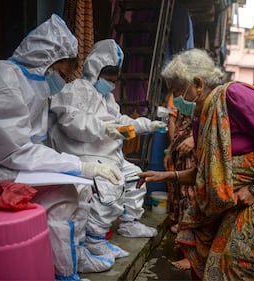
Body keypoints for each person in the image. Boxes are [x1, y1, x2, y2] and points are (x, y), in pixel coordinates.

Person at [137, 48, 254, 280]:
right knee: (214, 258)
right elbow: (207, 173)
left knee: (235, 261)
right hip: (236, 194)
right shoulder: (202, 120)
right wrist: (165, 176)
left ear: (198, 84)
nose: (175, 100)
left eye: (178, 91)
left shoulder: (234, 95)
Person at [0, 14, 123, 280]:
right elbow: (16, 151)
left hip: (10, 160)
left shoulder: (32, 81)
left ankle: (75, 257)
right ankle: (63, 271)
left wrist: (78, 167)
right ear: (49, 61)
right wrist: (80, 165)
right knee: (64, 196)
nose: (64, 77)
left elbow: (29, 144)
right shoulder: (0, 79)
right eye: (63, 69)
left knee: (81, 188)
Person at [48, 39, 166, 262]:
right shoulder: (75, 90)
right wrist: (105, 129)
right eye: (107, 77)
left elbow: (120, 122)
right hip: (86, 153)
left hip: (109, 153)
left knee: (137, 176)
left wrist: (146, 125)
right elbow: (72, 123)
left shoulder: (107, 97)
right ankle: (95, 239)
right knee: (111, 186)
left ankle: (130, 223)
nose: (111, 83)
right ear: (95, 69)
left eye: (114, 79)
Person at [163, 93, 197, 270]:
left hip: (196, 152)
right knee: (179, 191)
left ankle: (191, 252)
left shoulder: (203, 99)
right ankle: (184, 239)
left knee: (191, 196)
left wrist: (194, 139)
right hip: (179, 149)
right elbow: (172, 123)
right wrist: (171, 149)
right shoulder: (177, 97)